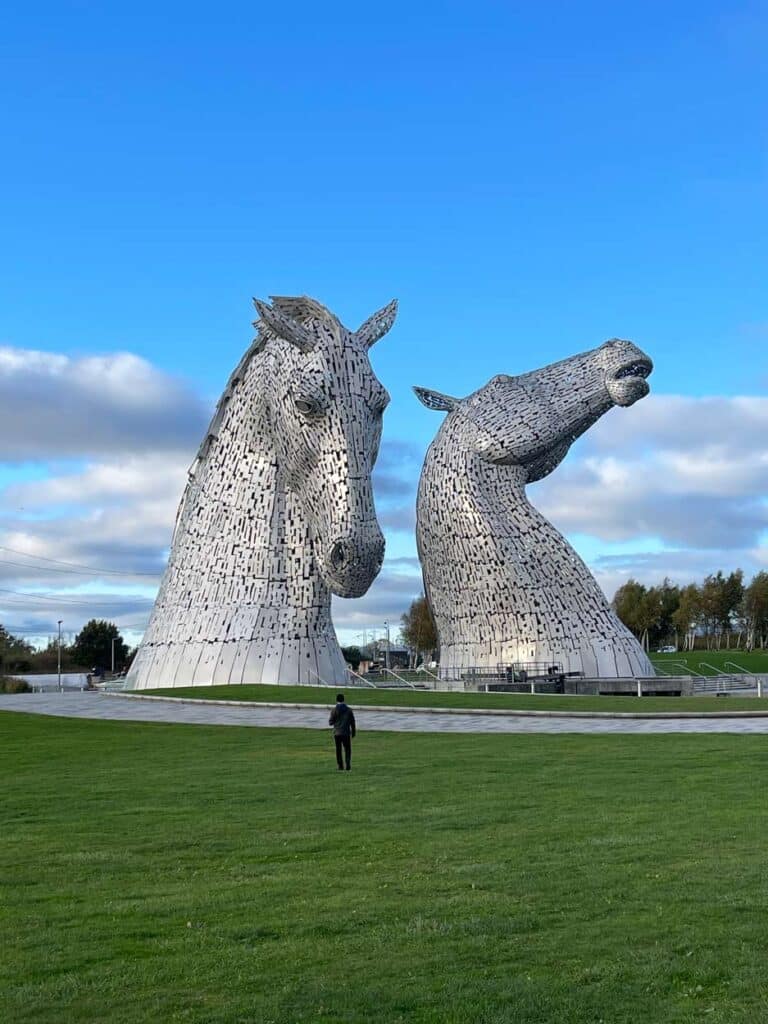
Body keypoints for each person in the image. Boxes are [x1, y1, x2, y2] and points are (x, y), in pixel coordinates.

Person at [329, 693, 356, 771]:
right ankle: (348, 765)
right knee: (347, 749)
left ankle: (340, 766)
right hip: (346, 733)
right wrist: (353, 732)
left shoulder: (334, 710)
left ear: (336, 700)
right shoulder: (349, 710)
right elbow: (352, 722)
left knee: (338, 750)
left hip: (337, 733)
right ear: (344, 700)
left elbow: (330, 722)